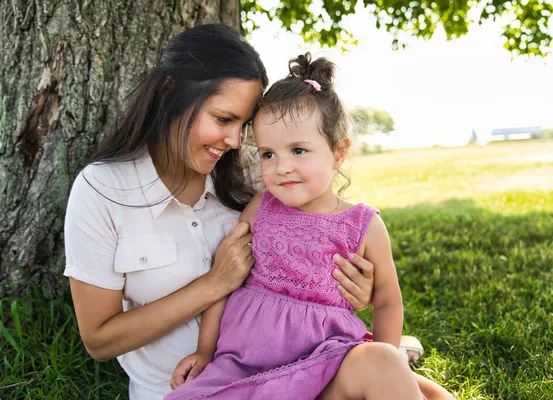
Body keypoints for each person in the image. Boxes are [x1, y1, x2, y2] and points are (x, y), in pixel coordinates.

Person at [64, 24, 388, 400]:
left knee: (390, 375)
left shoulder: (253, 176)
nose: (235, 142)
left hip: (299, 374)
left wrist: (349, 287)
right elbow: (99, 340)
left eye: (243, 126)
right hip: (189, 388)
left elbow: (316, 228)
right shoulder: (103, 190)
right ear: (170, 94)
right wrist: (215, 283)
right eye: (222, 119)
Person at [164, 53, 451, 400]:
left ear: (338, 153)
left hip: (326, 369)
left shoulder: (363, 225)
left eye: (298, 150)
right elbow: (224, 282)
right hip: (246, 367)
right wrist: (205, 352)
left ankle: (402, 369)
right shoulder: (261, 208)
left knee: (381, 364)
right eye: (268, 154)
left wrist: (387, 358)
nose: (282, 166)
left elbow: (388, 301)